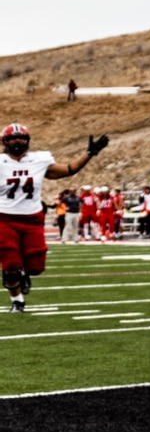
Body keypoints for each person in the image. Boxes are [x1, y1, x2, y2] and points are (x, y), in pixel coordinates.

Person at [1, 125, 108, 313]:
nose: (17, 142)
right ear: (4, 142)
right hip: (4, 218)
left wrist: (89, 154)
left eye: (21, 138)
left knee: (36, 267)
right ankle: (17, 301)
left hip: (32, 219)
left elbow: (69, 169)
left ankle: (23, 274)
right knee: (10, 264)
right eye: (13, 138)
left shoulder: (39, 160)